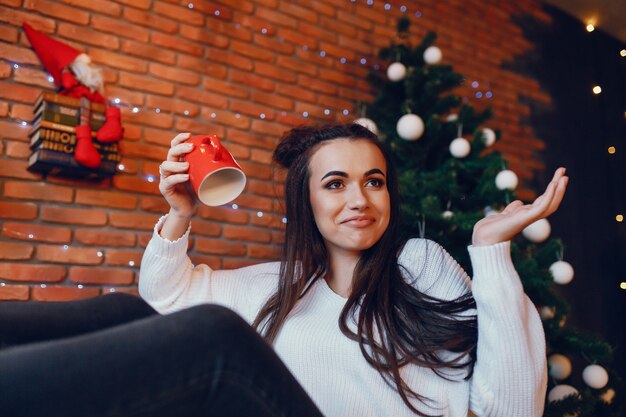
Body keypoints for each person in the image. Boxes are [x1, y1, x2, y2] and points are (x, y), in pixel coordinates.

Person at [138, 123, 569, 417]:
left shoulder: (419, 266)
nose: (360, 200)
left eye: (374, 181)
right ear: (306, 201)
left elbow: (511, 408)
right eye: (335, 183)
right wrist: (179, 212)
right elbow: (166, 295)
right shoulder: (274, 287)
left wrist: (491, 251)